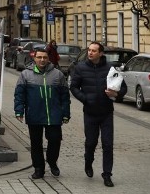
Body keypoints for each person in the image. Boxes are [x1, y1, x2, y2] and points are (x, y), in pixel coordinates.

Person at [70, 41, 127, 188]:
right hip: (90, 112)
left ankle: (107, 175)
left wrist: (116, 93)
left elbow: (123, 88)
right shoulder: (81, 67)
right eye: (89, 50)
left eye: (94, 51)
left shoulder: (110, 68)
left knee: (107, 144)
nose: (90, 53)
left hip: (106, 112)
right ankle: (88, 162)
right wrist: (85, 99)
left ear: (101, 53)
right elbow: (74, 87)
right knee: (91, 143)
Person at [14, 46, 70, 179]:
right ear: (34, 58)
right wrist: (19, 110)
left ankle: (52, 162)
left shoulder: (58, 74)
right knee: (36, 143)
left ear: (48, 59)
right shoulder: (26, 74)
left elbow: (65, 97)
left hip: (54, 114)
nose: (42, 60)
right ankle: (39, 168)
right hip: (34, 113)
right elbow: (19, 94)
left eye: (44, 57)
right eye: (39, 57)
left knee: (55, 140)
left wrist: (66, 113)